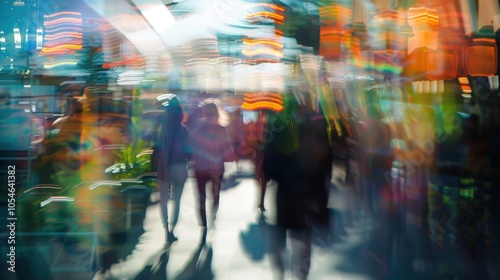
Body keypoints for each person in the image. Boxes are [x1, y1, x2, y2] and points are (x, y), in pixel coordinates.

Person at [264, 91, 333, 280]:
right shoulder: (317, 122)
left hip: (286, 189)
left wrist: (275, 174)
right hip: (309, 188)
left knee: (283, 231)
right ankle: (301, 274)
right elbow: (327, 158)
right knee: (304, 233)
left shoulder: (280, 125)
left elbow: (268, 161)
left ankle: (281, 272)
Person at [187, 100, 235, 244]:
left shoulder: (196, 128)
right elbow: (227, 151)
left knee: (200, 198)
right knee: (215, 196)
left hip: (199, 169)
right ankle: (212, 216)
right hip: (216, 169)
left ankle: (204, 225)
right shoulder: (221, 129)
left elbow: (189, 147)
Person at [153, 96, 189, 245]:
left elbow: (155, 149)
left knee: (163, 200)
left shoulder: (161, 129)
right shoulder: (183, 130)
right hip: (179, 166)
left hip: (163, 167)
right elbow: (189, 151)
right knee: (177, 200)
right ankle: (173, 228)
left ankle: (165, 229)